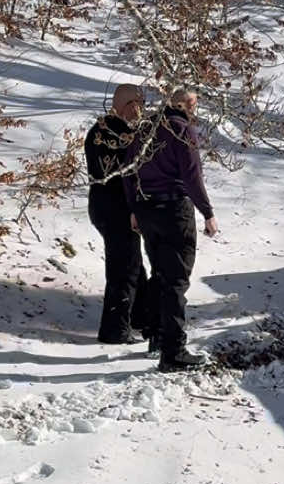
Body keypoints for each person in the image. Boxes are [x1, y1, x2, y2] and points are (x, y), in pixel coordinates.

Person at [124, 88, 218, 374]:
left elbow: (128, 169)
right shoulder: (181, 130)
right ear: (181, 105)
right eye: (192, 104)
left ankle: (157, 337)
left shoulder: (145, 129)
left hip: (147, 209)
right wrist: (208, 212)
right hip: (174, 209)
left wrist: (134, 207)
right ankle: (173, 352)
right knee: (176, 279)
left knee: (160, 274)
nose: (194, 109)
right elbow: (192, 175)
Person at [85, 84, 155, 347]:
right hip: (114, 208)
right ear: (127, 105)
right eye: (139, 104)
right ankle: (114, 330)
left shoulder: (103, 130)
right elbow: (128, 172)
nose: (142, 110)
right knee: (123, 269)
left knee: (133, 265)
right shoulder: (113, 133)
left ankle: (142, 317)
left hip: (109, 206)